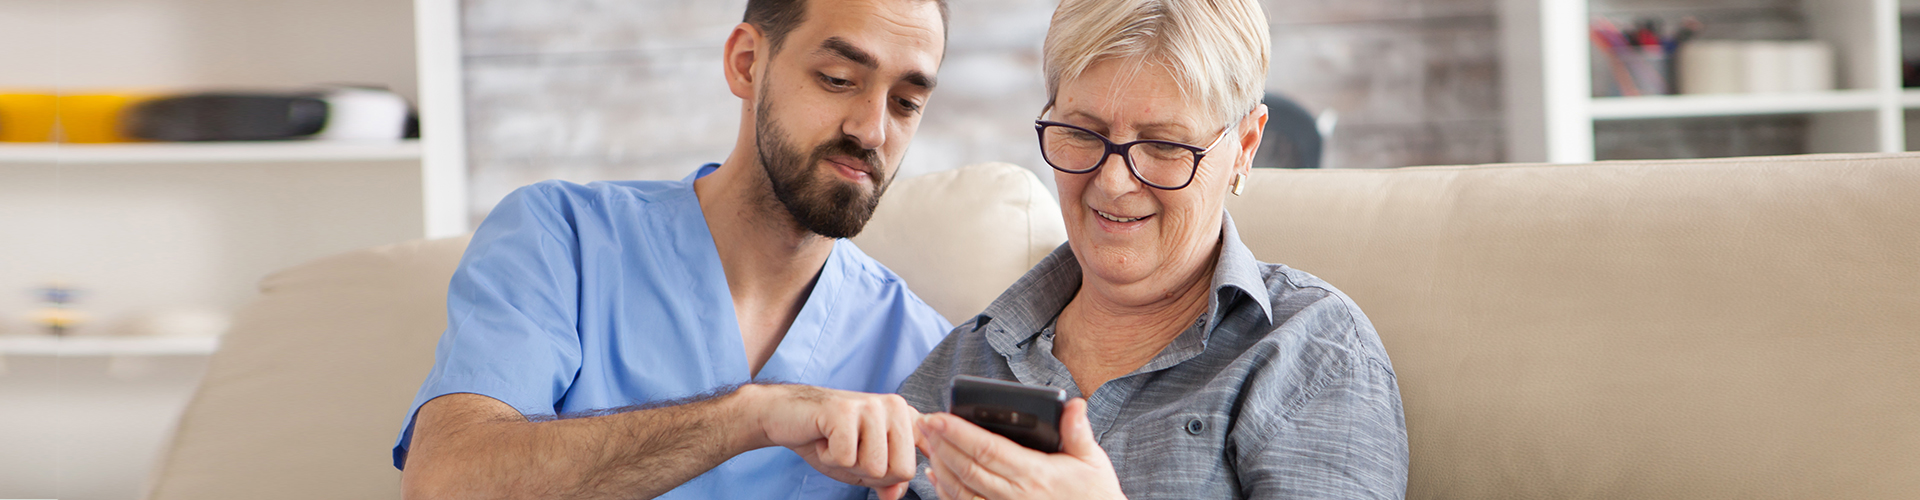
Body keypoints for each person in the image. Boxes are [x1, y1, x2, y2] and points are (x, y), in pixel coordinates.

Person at [394, 0, 953, 499]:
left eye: (905, 103)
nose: (872, 130)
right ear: (746, 63)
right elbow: (444, 483)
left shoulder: (924, 351)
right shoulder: (558, 239)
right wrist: (750, 415)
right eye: (837, 79)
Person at [898, 0, 1409, 498]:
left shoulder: (1312, 351)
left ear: (1245, 147)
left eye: (1164, 144)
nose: (1114, 182)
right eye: (1082, 132)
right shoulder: (968, 358)